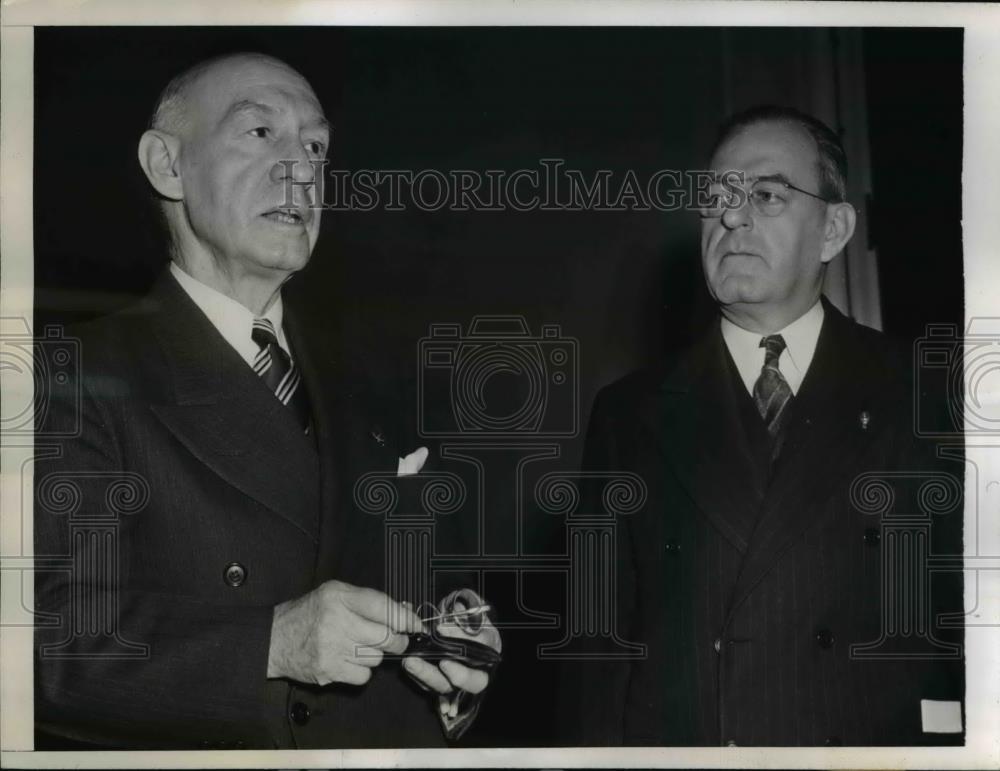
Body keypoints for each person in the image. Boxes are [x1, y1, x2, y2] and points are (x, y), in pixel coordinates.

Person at [33, 52, 498, 750]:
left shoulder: (378, 382)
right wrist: (271, 644)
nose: (302, 169)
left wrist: (460, 655)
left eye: (316, 145)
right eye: (259, 133)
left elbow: (440, 600)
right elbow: (43, 647)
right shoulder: (71, 378)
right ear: (167, 165)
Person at [555, 105, 963, 746]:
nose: (732, 215)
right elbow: (595, 659)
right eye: (716, 196)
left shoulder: (929, 392)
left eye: (767, 195)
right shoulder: (628, 414)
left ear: (833, 230)